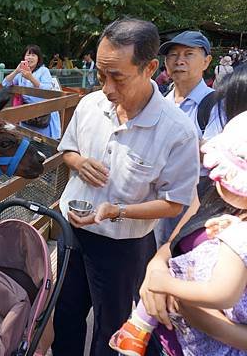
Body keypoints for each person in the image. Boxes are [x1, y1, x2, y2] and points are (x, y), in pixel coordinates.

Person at [51, 18, 200, 356]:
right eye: (101, 75)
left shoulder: (177, 131)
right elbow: (67, 149)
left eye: (117, 76)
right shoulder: (90, 105)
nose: (106, 88)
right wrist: (77, 162)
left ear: (149, 68)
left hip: (123, 245)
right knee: (66, 315)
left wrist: (118, 211)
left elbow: (174, 202)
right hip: (72, 230)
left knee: (111, 327)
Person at [128, 111, 247, 356]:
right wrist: (156, 267)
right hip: (173, 340)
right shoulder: (223, 206)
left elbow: (222, 293)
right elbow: (173, 243)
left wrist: (169, 287)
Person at [154, 30, 220, 246]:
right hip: (156, 192)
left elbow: (214, 154)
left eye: (188, 54)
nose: (179, 61)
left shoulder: (215, 104)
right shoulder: (160, 101)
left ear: (206, 61)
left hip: (195, 195)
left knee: (179, 252)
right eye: (173, 55)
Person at [2, 45, 61, 139]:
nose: (30, 57)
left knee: (43, 142)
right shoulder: (21, 73)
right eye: (28, 55)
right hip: (28, 113)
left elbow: (47, 89)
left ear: (38, 58)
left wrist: (31, 78)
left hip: (43, 113)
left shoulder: (43, 71)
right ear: (24, 58)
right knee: (27, 140)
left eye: (33, 55)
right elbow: (5, 84)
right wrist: (16, 71)